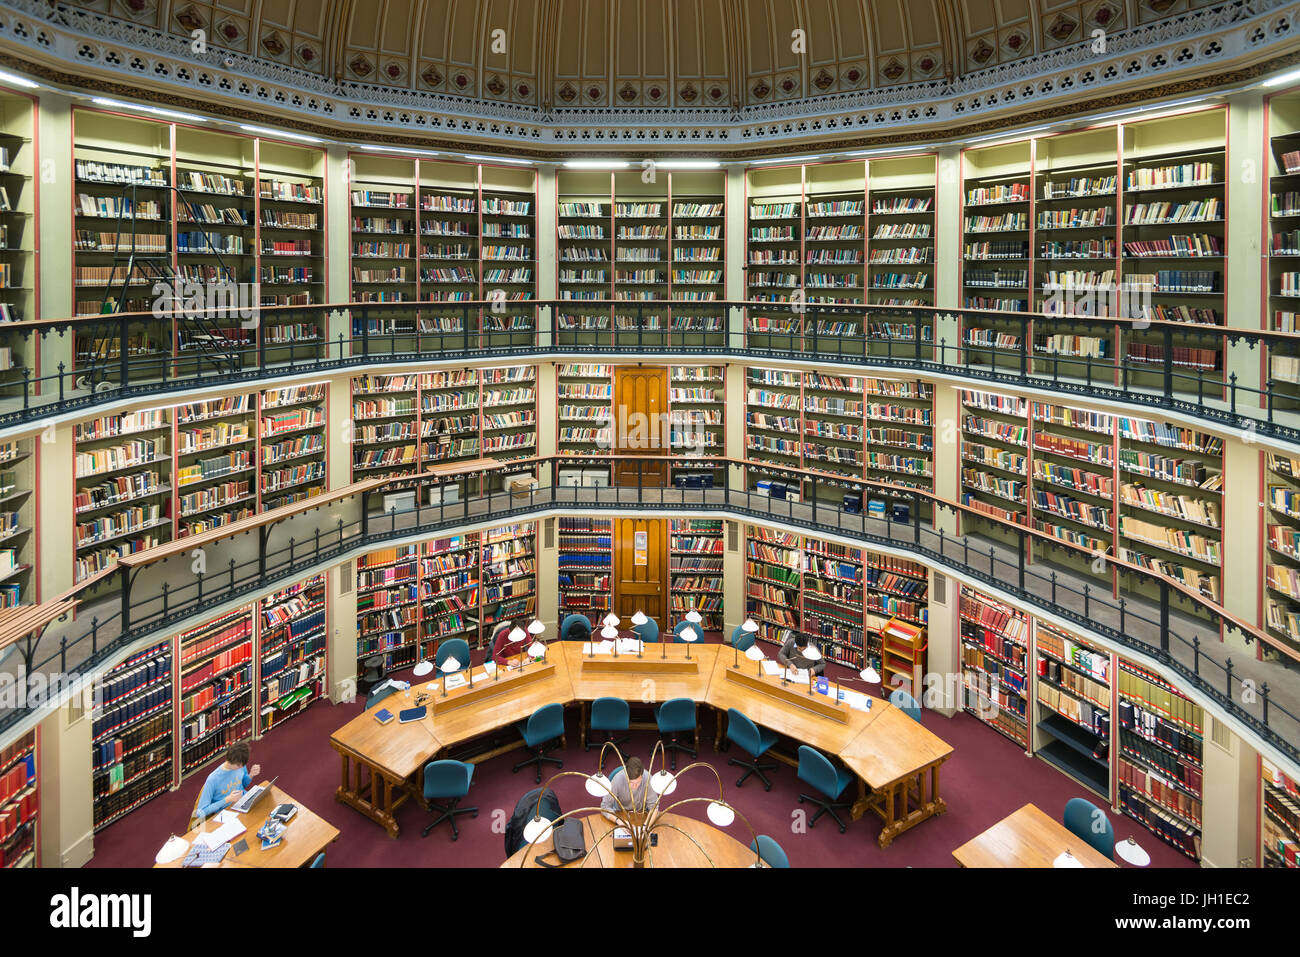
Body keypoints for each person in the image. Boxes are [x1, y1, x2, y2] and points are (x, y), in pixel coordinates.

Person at [196, 743, 262, 820]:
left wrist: (250, 775)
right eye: (239, 766)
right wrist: (227, 800)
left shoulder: (240, 764)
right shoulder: (213, 779)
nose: (241, 767)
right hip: (227, 813)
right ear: (231, 760)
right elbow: (200, 812)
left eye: (243, 765)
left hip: (243, 802)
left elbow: (242, 785)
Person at [600, 755, 658, 823]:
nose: (634, 786)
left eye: (638, 782)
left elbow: (654, 808)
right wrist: (618, 821)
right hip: (620, 814)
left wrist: (645, 826)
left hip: (642, 814)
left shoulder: (648, 778)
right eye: (631, 783)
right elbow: (604, 807)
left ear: (642, 776)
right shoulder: (617, 779)